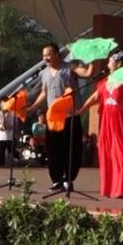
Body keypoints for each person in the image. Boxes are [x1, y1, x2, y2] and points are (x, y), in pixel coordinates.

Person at [28, 43, 94, 191]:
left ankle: (68, 179)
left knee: (71, 149)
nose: (45, 58)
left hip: (70, 116)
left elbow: (88, 73)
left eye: (48, 54)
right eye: (44, 55)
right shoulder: (44, 73)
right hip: (53, 118)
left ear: (57, 54)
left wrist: (92, 59)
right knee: (53, 150)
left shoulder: (69, 67)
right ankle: (56, 180)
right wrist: (32, 107)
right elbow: (44, 92)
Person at [78, 48, 123, 198]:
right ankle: (113, 188)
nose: (107, 63)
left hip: (121, 123)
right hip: (107, 122)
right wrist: (81, 110)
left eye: (110, 60)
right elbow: (95, 97)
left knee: (122, 153)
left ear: (118, 63)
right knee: (108, 152)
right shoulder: (106, 81)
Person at [0, 98, 14, 166]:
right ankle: (1, 167)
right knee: (1, 155)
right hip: (2, 138)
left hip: (10, 137)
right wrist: (3, 116)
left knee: (12, 154)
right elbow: (2, 128)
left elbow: (13, 126)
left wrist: (7, 127)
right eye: (2, 103)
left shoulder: (12, 113)